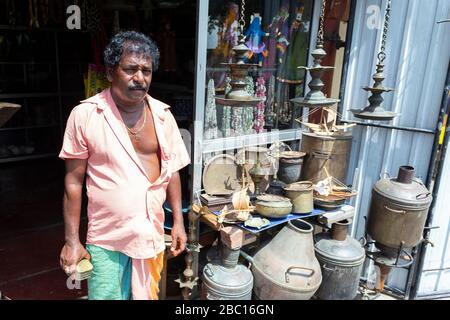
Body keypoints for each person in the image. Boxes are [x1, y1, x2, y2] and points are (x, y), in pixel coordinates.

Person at [58, 31, 190, 300]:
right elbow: (73, 182)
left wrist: (178, 222)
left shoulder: (164, 116)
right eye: (130, 69)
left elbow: (172, 171)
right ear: (110, 73)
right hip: (108, 238)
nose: (140, 78)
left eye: (146, 71)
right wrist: (72, 241)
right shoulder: (85, 115)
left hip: (150, 232)